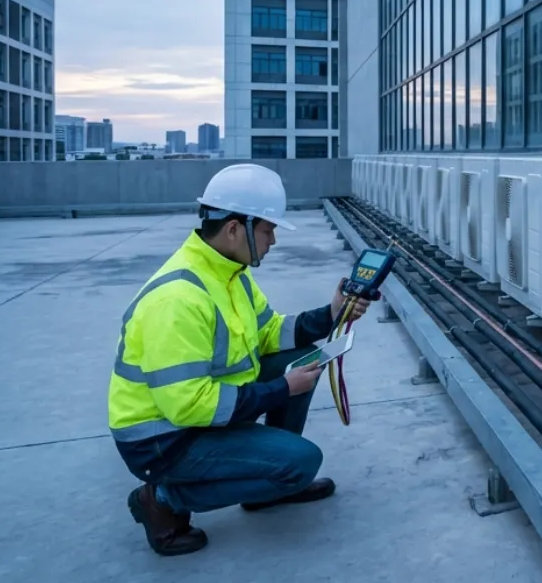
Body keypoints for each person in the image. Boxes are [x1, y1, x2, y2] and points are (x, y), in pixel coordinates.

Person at [107, 163, 373, 556]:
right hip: (162, 440)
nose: (273, 241)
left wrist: (332, 313)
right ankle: (162, 499)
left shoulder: (230, 273)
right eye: (268, 230)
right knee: (303, 461)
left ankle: (270, 483)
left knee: (302, 358)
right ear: (234, 228)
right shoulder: (177, 300)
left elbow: (270, 333)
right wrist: (282, 389)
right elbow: (188, 405)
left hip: (194, 416)